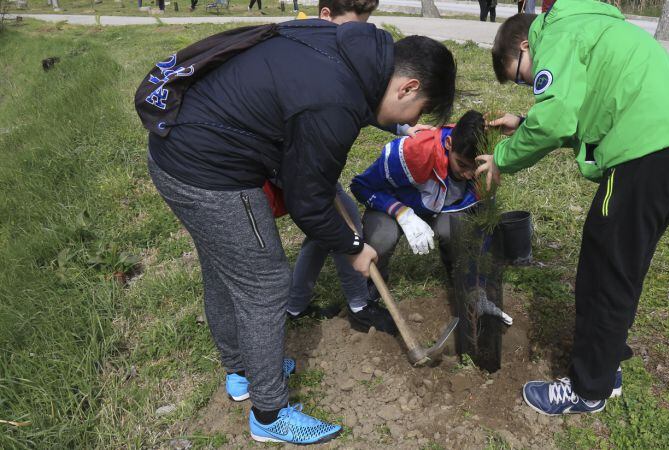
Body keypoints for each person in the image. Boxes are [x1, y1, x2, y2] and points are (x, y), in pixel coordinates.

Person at [144, 19, 456, 443]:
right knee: (265, 284)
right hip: (209, 168)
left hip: (179, 140)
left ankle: (243, 373)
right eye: (418, 112)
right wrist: (354, 246)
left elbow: (333, 115)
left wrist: (401, 126)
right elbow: (309, 204)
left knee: (225, 268)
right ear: (407, 87)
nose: (413, 121)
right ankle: (269, 416)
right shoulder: (332, 104)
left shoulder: (354, 47)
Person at [477, 1, 669, 416]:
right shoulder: (586, 25)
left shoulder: (556, 35)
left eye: (520, 77)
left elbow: (555, 120)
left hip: (645, 151)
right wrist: (524, 118)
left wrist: (503, 159)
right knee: (621, 263)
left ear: (524, 46)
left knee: (603, 270)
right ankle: (606, 364)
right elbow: (587, 107)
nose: (527, 85)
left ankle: (587, 390)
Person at [286, 0, 433, 333]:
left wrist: (404, 127)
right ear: (326, 17)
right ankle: (359, 306)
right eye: (356, 23)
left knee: (324, 234)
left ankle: (295, 305)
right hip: (290, 160)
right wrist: (353, 246)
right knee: (347, 226)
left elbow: (365, 101)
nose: (362, 33)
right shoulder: (316, 57)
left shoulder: (338, 57)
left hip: (304, 159)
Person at [351, 110, 514, 329]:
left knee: (458, 230)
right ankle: (370, 291)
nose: (468, 174)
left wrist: (478, 289)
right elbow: (360, 186)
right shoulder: (413, 153)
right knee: (382, 237)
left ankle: (457, 275)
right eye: (462, 165)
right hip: (391, 206)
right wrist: (402, 212)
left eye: (474, 168)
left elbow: (482, 230)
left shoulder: (485, 171)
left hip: (438, 210)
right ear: (448, 144)